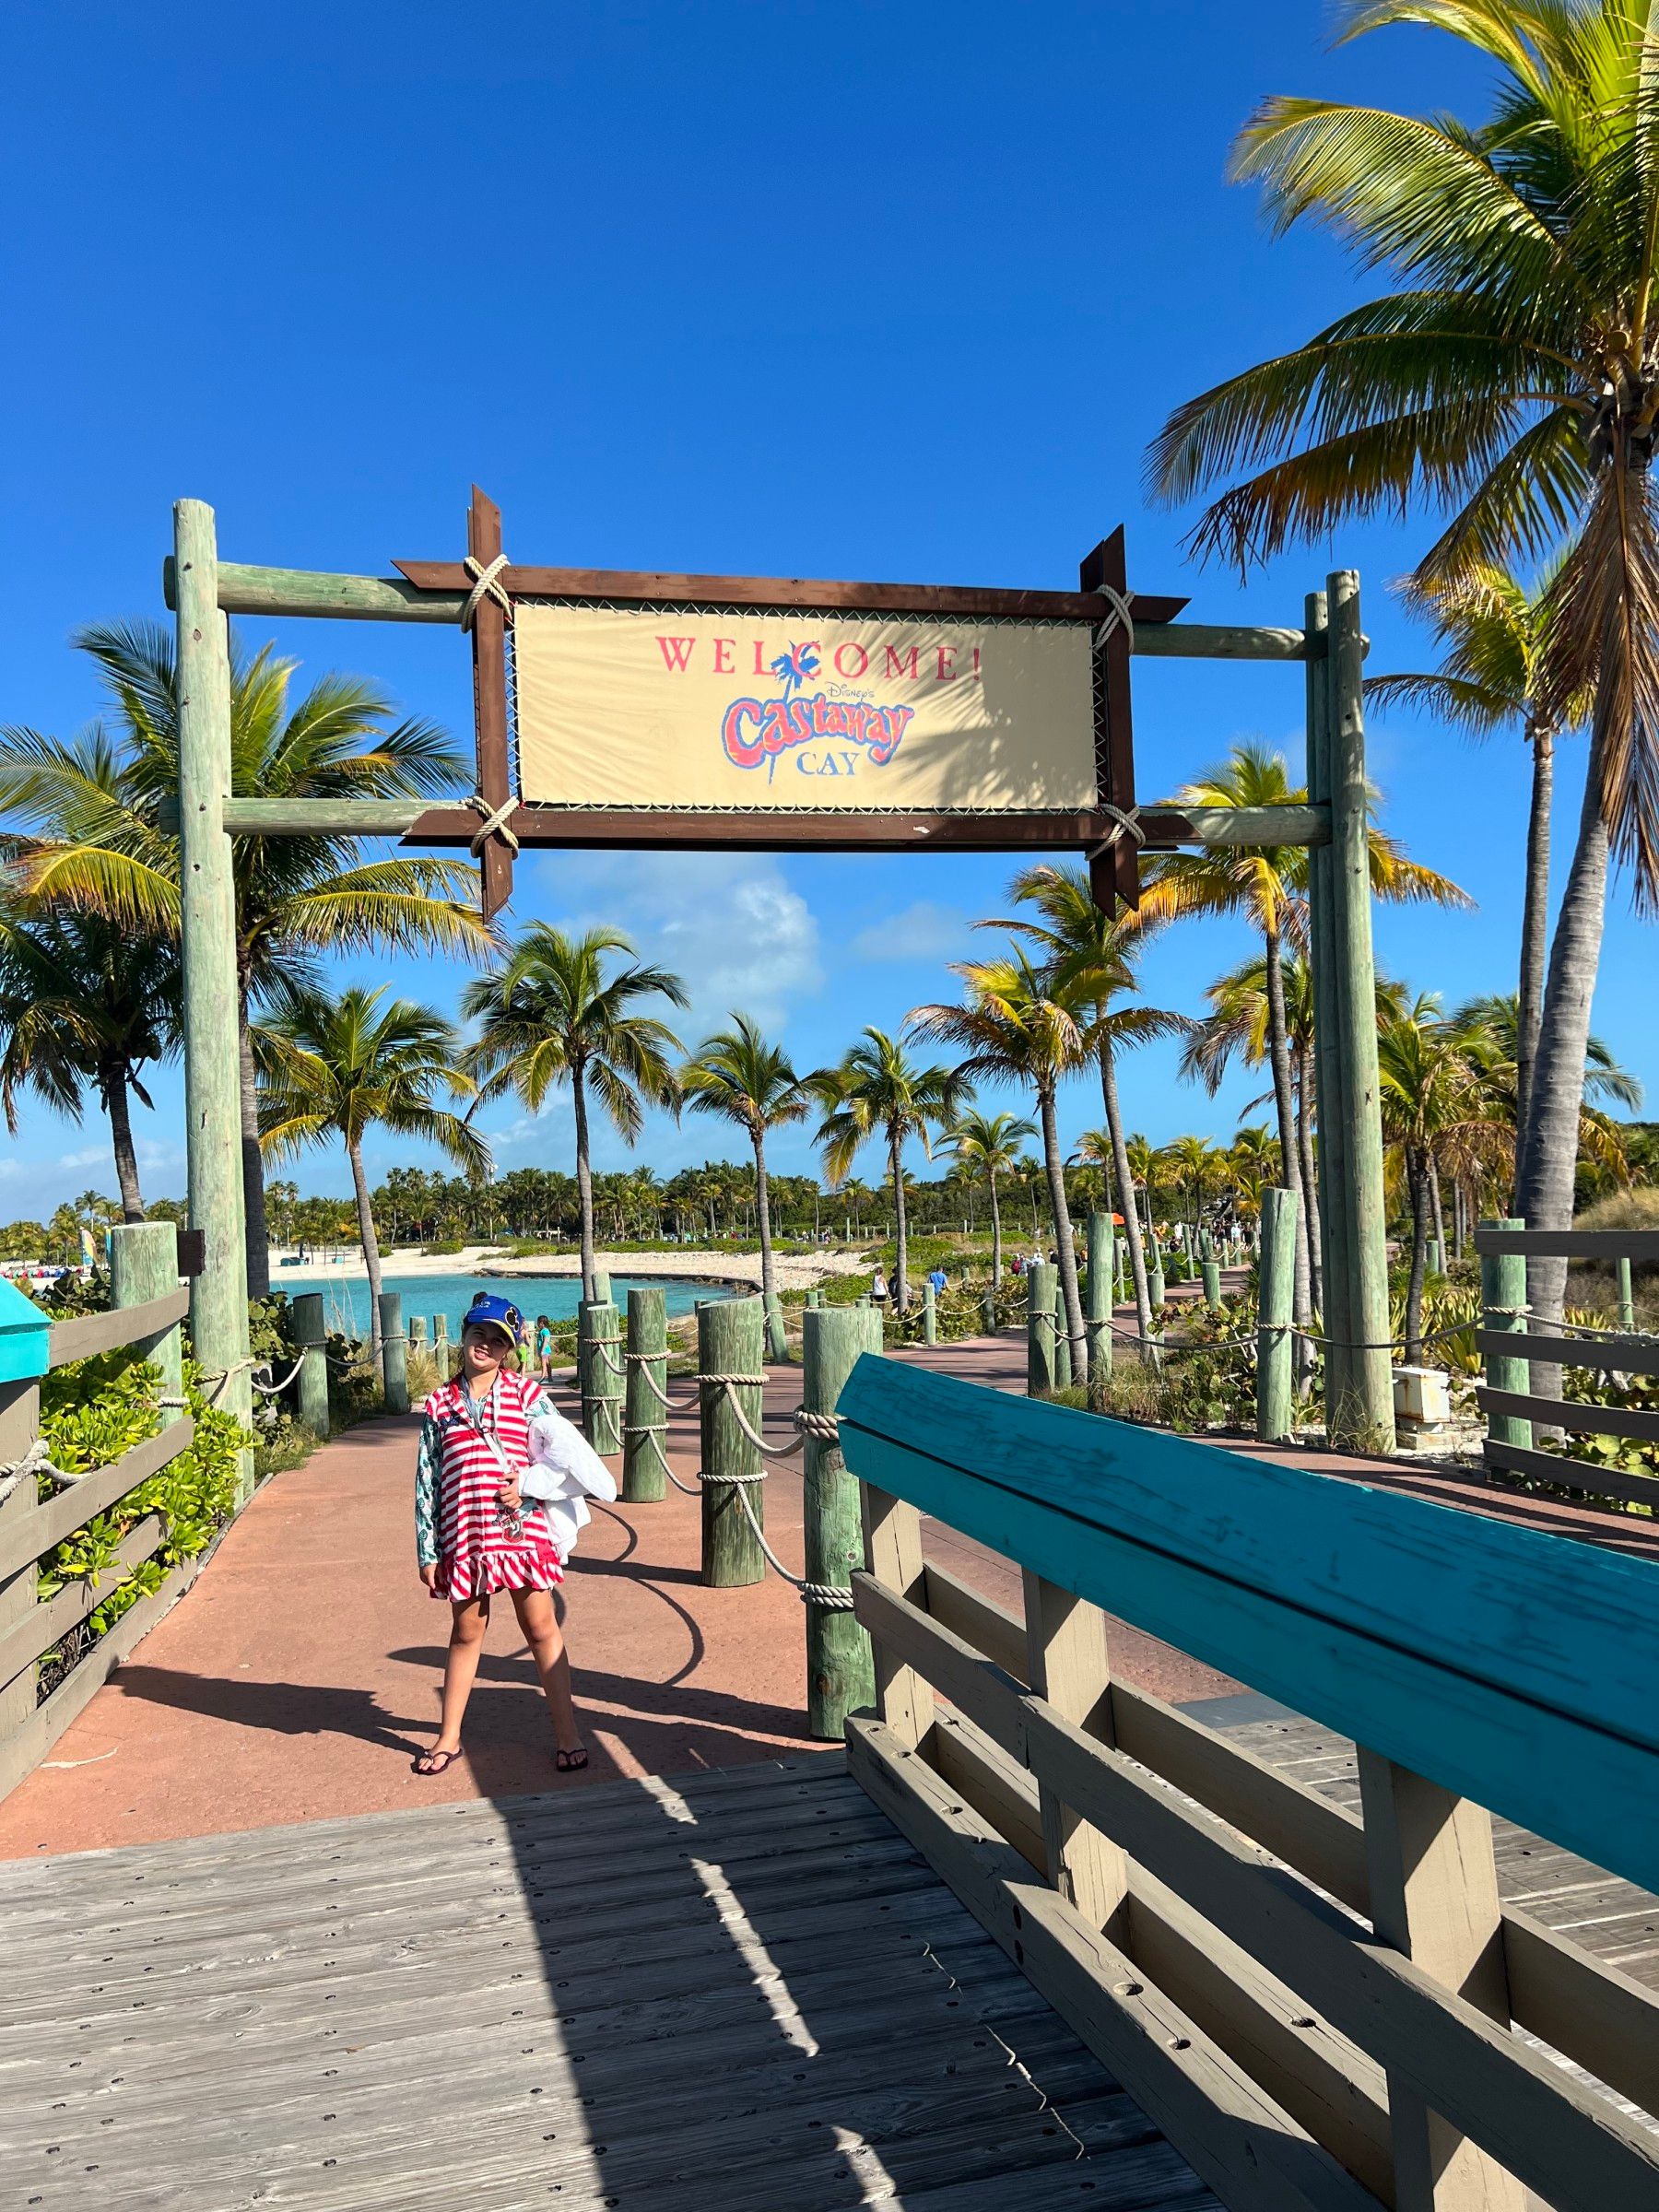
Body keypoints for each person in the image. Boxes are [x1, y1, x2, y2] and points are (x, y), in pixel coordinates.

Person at [412, 1294, 592, 1778]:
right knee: (466, 1631)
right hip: (463, 1535)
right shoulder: (439, 1403)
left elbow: (564, 1455)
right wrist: (428, 1550)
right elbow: (427, 1479)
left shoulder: (528, 1396)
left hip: (521, 1532)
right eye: (479, 1334)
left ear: (509, 1350)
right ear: (464, 1335)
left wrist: (529, 1485)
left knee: (540, 1627)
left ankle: (568, 1734)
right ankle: (449, 1736)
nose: (486, 1345)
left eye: (498, 1340)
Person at [535, 1312, 555, 1377]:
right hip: (544, 1350)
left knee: (544, 1364)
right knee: (547, 1363)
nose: (537, 1324)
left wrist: (542, 1351)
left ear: (542, 1323)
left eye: (538, 1322)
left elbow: (545, 1341)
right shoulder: (542, 1330)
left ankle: (542, 1377)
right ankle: (550, 1377)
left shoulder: (545, 1330)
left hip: (545, 1350)